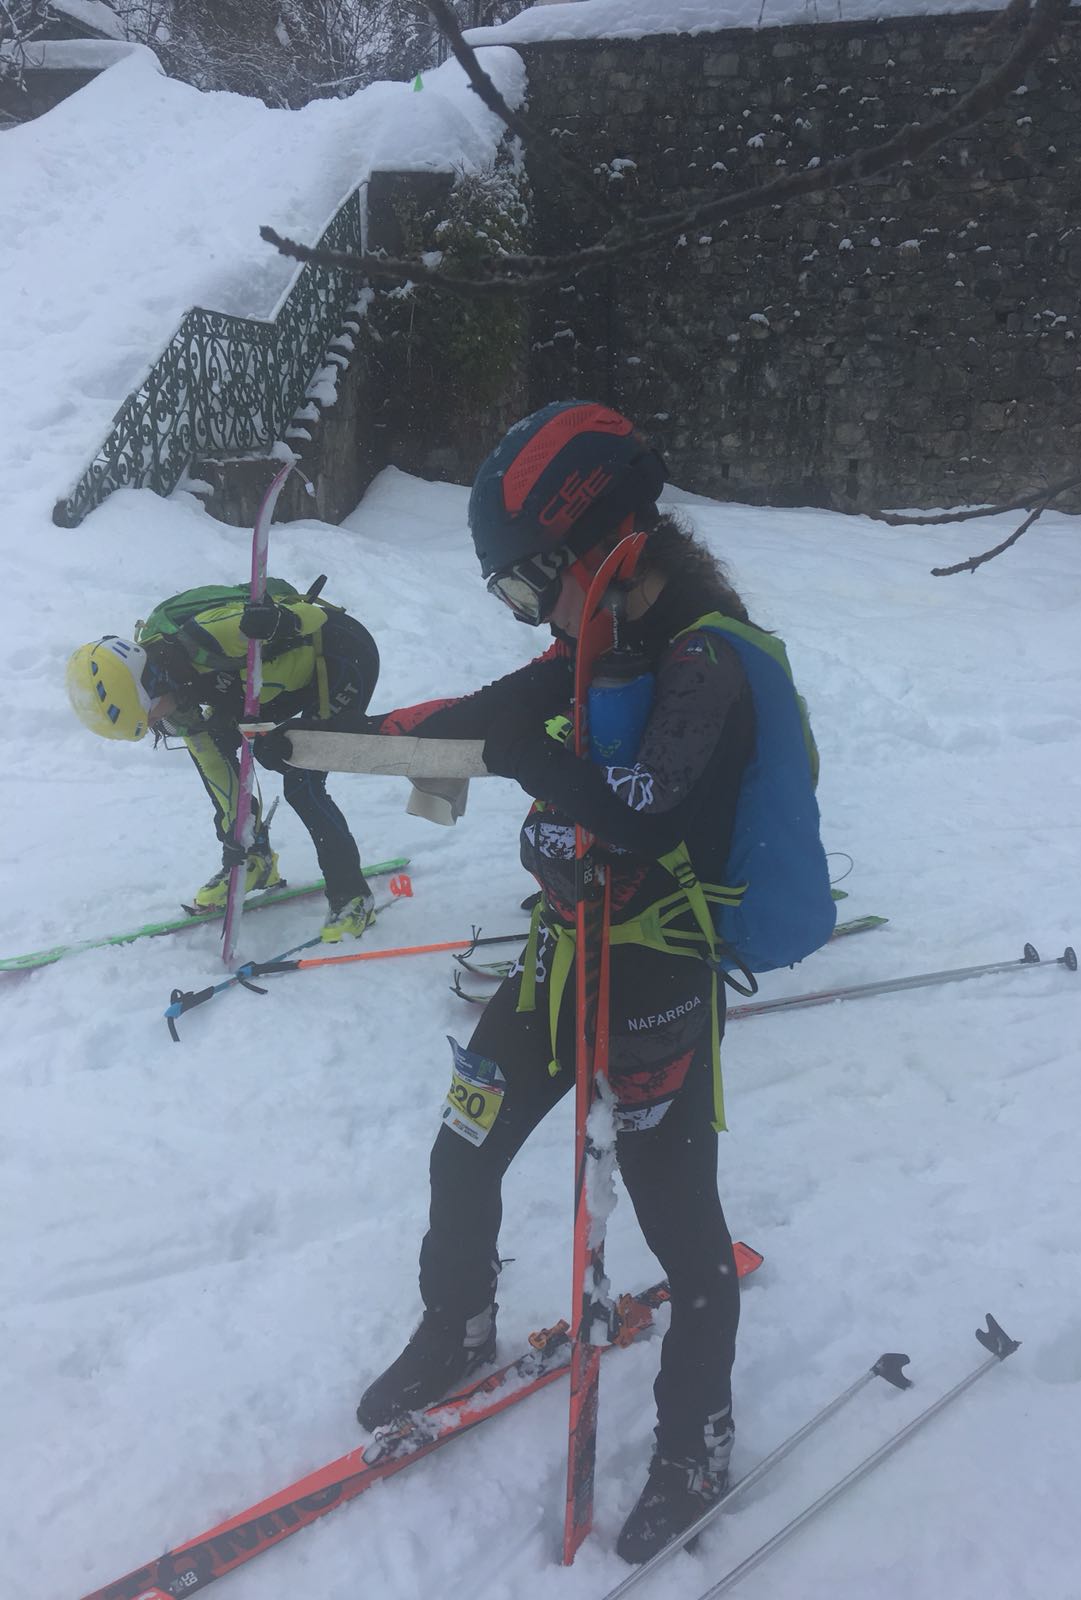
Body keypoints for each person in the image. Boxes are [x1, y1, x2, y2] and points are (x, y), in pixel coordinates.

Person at [266, 401, 830, 1561]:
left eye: (527, 590)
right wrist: (312, 743)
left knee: (683, 1231)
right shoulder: (598, 646)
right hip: (562, 954)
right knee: (462, 1142)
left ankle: (694, 1434)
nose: (530, 617)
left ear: (599, 547)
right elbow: (468, 727)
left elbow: (642, 811)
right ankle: (456, 1322)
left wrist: (528, 758)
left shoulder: (706, 662)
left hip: (660, 976)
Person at [65, 581, 379, 942]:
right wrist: (237, 835)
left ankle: (352, 897)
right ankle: (256, 861)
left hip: (336, 657)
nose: (155, 724)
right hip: (276, 681)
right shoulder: (174, 700)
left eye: (148, 715)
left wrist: (279, 622)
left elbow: (313, 617)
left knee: (302, 783)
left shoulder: (207, 636)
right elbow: (216, 768)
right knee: (219, 737)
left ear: (150, 683)